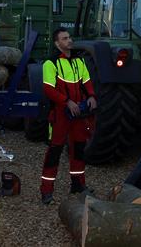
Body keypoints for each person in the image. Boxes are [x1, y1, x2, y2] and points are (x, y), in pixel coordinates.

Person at [40, 28, 98, 204]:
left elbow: (86, 81)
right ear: (57, 44)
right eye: (65, 38)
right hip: (60, 113)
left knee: (79, 149)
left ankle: (78, 185)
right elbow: (48, 89)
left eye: (69, 37)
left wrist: (92, 96)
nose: (69, 40)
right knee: (54, 151)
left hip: (79, 113)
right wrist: (67, 102)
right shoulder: (50, 63)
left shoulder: (79, 61)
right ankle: (46, 191)